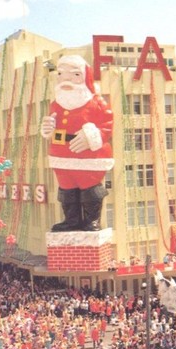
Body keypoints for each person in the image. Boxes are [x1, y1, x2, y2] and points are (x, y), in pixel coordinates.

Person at [40, 55, 114, 232]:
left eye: (74, 74)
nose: (65, 79)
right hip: (61, 156)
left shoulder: (97, 103)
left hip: (89, 157)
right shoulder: (56, 105)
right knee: (66, 190)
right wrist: (47, 128)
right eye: (61, 74)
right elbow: (51, 126)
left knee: (90, 189)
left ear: (84, 77)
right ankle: (71, 220)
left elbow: (107, 125)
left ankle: (91, 220)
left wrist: (92, 136)